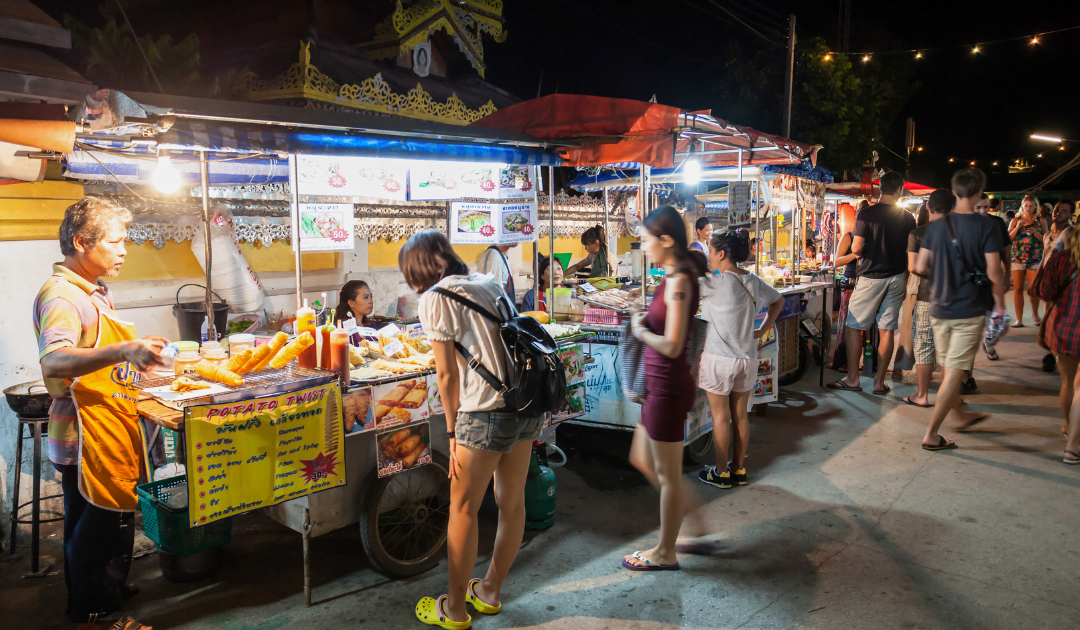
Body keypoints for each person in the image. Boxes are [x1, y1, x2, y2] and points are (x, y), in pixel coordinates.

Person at [34, 197, 165, 630]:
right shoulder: (62, 297)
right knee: (98, 528)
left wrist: (133, 354)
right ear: (81, 242)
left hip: (100, 424)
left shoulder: (90, 291)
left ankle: (96, 593)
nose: (124, 249)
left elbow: (94, 354)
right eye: (115, 241)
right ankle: (98, 615)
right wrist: (125, 349)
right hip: (83, 432)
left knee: (96, 521)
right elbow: (53, 361)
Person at [402, 231, 540, 628]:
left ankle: (456, 611)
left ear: (423, 269)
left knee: (463, 507)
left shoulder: (435, 298)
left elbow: (446, 376)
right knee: (512, 503)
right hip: (524, 403)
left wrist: (450, 431)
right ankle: (490, 591)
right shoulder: (488, 282)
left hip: (483, 412)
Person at [624, 206, 711, 569]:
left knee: (667, 475)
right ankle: (698, 528)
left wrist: (641, 331)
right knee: (643, 459)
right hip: (660, 384)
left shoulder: (678, 281)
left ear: (666, 240)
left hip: (668, 388)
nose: (643, 247)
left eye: (646, 240)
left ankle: (664, 552)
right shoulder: (673, 275)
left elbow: (674, 345)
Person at [917, 168, 1006, 451]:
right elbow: (994, 270)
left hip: (939, 307)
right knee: (954, 372)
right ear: (979, 192)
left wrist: (944, 275)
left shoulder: (935, 227)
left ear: (953, 192)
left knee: (948, 370)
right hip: (969, 308)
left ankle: (961, 415)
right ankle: (931, 434)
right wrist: (1000, 305)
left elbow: (920, 267)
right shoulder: (987, 226)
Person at [696, 230, 783, 489]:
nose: (709, 257)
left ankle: (721, 473)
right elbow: (778, 301)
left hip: (719, 360)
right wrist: (763, 330)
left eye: (710, 252)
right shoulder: (753, 280)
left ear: (721, 254)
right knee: (741, 416)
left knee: (720, 418)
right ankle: (739, 469)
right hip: (747, 358)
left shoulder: (714, 283)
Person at [828, 172, 915, 395]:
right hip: (897, 277)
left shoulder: (867, 214)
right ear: (899, 191)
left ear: (880, 189)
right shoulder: (908, 218)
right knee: (886, 330)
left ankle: (853, 378)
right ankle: (878, 383)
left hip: (870, 277)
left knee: (854, 326)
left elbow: (856, 249)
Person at [1030, 228, 1080, 462]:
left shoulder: (1060, 259)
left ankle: (1069, 425)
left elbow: (1044, 292)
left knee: (1068, 383)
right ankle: (1072, 447)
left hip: (1064, 329)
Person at [903, 191, 951, 407]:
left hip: (927, 296)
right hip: (955, 298)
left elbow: (913, 267)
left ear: (929, 206)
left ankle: (922, 395)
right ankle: (951, 396)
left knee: (924, 346)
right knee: (950, 350)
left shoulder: (918, 233)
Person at [1038, 198, 1074, 372]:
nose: (1058, 212)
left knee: (1057, 320)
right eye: (1057, 209)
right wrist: (1038, 280)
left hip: (1061, 285)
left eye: (1064, 211)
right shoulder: (1047, 235)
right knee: (1048, 319)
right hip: (1049, 283)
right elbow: (1044, 258)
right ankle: (1053, 353)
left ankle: (1056, 355)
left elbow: (1070, 261)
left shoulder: (1068, 233)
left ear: (1071, 215)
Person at [975, 193, 1012, 360]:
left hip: (992, 277)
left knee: (996, 318)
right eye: (978, 207)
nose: (983, 211)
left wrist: (1007, 274)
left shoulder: (996, 223)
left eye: (985, 207)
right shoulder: (967, 224)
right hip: (973, 278)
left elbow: (1006, 250)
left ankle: (989, 342)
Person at [1008, 194, 1047, 326]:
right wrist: (1017, 227)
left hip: (1035, 258)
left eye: (1031, 206)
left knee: (1033, 289)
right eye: (1026, 205)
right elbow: (1008, 238)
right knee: (1018, 289)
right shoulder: (1015, 220)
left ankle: (1036, 315)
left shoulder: (1040, 220)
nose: (1028, 208)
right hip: (1018, 258)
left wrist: (1036, 231)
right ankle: (1019, 319)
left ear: (1035, 206)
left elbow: (1046, 240)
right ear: (1022, 206)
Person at [828, 226, 859, 371]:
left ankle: (866, 361)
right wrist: (855, 254)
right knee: (847, 322)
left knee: (865, 326)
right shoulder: (849, 237)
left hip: (868, 283)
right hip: (850, 284)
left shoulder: (875, 237)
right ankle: (842, 361)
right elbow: (837, 261)